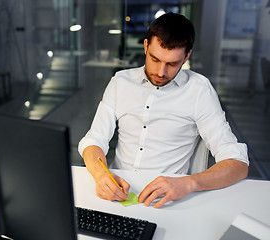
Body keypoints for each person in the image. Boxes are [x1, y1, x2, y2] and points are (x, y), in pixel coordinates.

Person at [78, 12, 249, 208]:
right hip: (118, 193)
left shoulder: (199, 91)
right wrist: (101, 175)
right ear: (145, 46)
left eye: (172, 64)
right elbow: (94, 139)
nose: (161, 72)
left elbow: (237, 162)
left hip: (169, 200)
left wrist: (189, 183)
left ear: (187, 56)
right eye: (155, 59)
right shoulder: (120, 82)